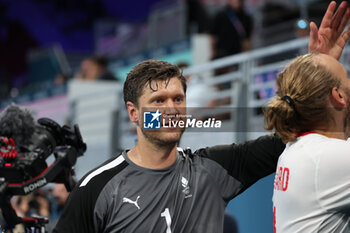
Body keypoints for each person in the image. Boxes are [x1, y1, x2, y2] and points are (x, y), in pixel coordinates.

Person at [53, 2, 350, 232]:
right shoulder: (97, 186)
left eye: (178, 99)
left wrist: (318, 73)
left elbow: (290, 133)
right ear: (133, 113)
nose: (171, 109)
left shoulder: (211, 169)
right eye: (158, 101)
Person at [264, 3, 350, 233]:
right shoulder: (328, 159)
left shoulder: (302, 148)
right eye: (347, 80)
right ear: (338, 96)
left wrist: (318, 71)